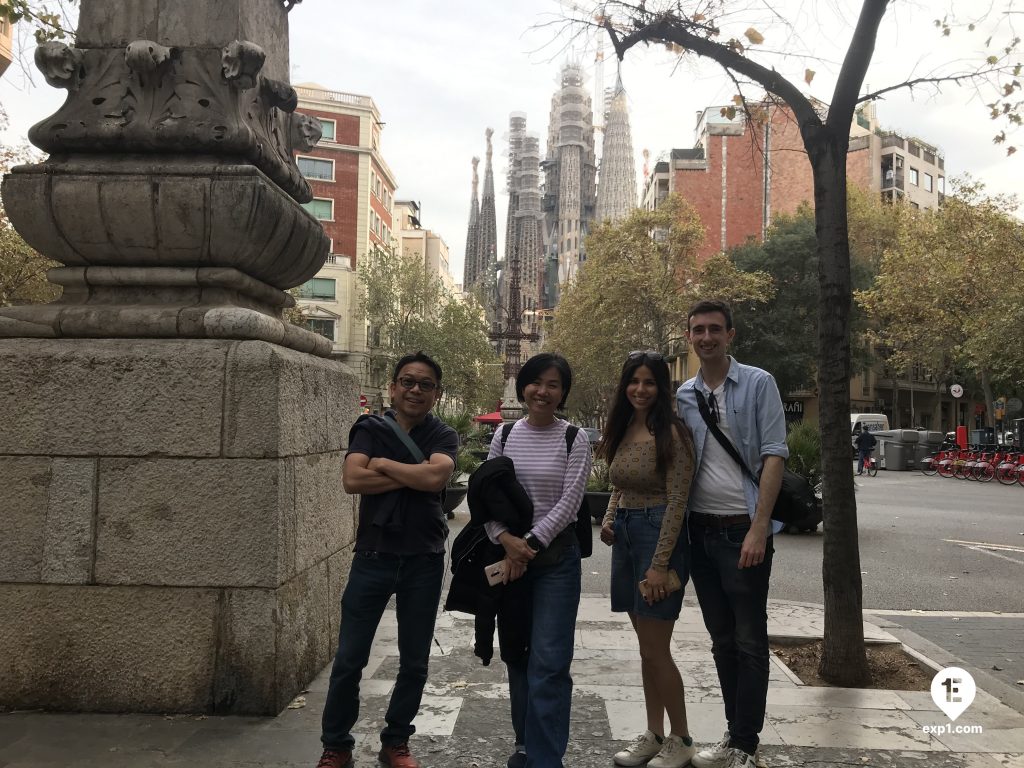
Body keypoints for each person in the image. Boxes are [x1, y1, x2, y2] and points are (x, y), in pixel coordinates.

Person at [316, 352, 459, 768]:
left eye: (425, 384)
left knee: (414, 661)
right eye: (408, 382)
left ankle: (396, 741)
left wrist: (380, 463)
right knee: (349, 659)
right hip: (374, 556)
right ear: (393, 388)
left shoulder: (443, 434)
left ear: (436, 394)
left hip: (424, 559)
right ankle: (336, 745)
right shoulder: (369, 427)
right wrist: (410, 472)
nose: (416, 390)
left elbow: (436, 478)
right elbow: (351, 480)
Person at [676, 301, 788, 768]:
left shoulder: (759, 383)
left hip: (742, 529)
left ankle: (746, 742)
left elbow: (774, 455)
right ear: (690, 337)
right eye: (698, 330)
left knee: (748, 638)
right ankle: (732, 734)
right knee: (720, 638)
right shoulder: (684, 394)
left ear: (730, 335)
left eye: (715, 330)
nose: (707, 337)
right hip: (699, 531)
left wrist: (759, 528)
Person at [485, 353, 591, 768]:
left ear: (563, 393)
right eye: (535, 382)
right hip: (511, 559)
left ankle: (546, 759)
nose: (542, 391)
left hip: (555, 563)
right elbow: (487, 495)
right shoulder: (505, 435)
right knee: (517, 654)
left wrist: (527, 543)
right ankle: (524, 745)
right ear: (523, 386)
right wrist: (505, 539)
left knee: (549, 661)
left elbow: (570, 501)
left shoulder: (574, 438)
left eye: (553, 385)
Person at [598, 351, 699, 768]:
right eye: (634, 382)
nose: (640, 389)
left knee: (657, 650)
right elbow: (619, 485)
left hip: (659, 537)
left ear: (663, 388)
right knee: (646, 649)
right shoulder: (623, 428)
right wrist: (608, 519)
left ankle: (682, 737)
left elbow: (678, 500)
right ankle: (654, 733)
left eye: (650, 382)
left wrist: (660, 564)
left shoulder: (672, 434)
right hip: (625, 534)